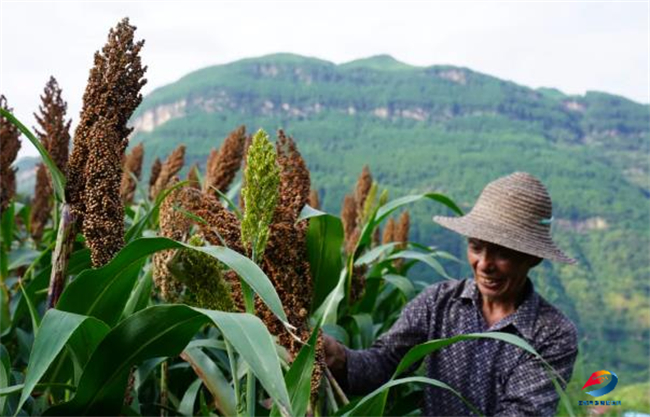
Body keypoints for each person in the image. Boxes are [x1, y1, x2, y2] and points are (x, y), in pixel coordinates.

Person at [324, 172, 579, 416]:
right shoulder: (438, 303)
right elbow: (385, 362)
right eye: (476, 247)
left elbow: (523, 412)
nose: (484, 264)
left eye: (502, 253)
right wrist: (339, 358)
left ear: (532, 258)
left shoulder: (551, 333)